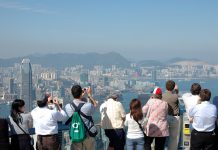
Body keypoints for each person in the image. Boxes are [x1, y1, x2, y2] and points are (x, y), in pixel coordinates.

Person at [65, 85, 97, 150]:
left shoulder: (67, 107)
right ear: (81, 93)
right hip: (87, 135)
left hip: (75, 135)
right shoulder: (87, 106)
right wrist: (89, 95)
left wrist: (80, 96)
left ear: (72, 94)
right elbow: (95, 105)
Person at [162, 80, 180, 150]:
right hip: (174, 117)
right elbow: (176, 96)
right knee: (173, 137)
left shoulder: (162, 96)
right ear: (173, 88)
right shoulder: (175, 96)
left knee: (163, 136)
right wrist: (176, 90)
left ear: (166, 87)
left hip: (165, 117)